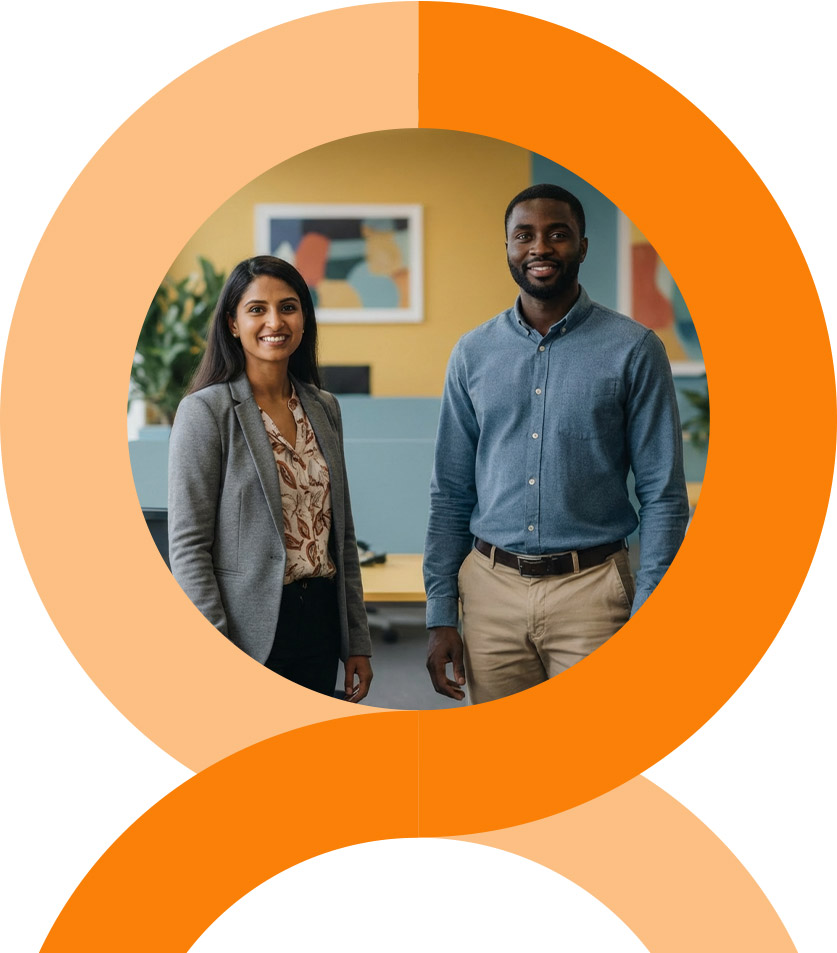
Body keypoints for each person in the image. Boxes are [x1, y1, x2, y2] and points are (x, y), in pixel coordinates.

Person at [424, 184, 689, 704]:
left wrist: (650, 608)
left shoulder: (634, 349)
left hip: (593, 594)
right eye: (524, 236)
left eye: (557, 234)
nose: (539, 248)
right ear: (507, 248)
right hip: (489, 592)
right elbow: (450, 492)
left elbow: (663, 494)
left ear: (583, 247)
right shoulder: (472, 353)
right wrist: (439, 614)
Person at [168, 255, 373, 701]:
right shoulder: (206, 412)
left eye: (289, 306)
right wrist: (216, 644)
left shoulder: (324, 407)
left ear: (304, 320)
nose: (274, 321)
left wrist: (356, 639)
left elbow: (342, 534)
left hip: (319, 620)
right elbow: (188, 547)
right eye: (257, 309)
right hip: (246, 629)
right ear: (233, 324)